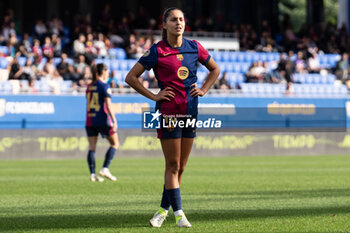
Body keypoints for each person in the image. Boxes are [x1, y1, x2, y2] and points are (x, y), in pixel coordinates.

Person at [125, 7, 220, 228]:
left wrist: (204, 89)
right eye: (173, 20)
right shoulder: (157, 51)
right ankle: (179, 214)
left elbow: (214, 69)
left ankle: (161, 211)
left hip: (191, 111)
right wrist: (154, 95)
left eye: (181, 19)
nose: (178, 23)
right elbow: (131, 77)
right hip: (168, 113)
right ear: (164, 25)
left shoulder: (194, 47)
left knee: (181, 167)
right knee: (173, 165)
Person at [85, 63, 119, 182]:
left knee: (92, 147)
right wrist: (114, 120)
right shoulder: (104, 86)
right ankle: (105, 168)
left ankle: (93, 174)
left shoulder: (89, 86)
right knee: (115, 143)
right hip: (102, 119)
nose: (108, 73)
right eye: (107, 71)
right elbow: (108, 105)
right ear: (103, 71)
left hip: (90, 119)